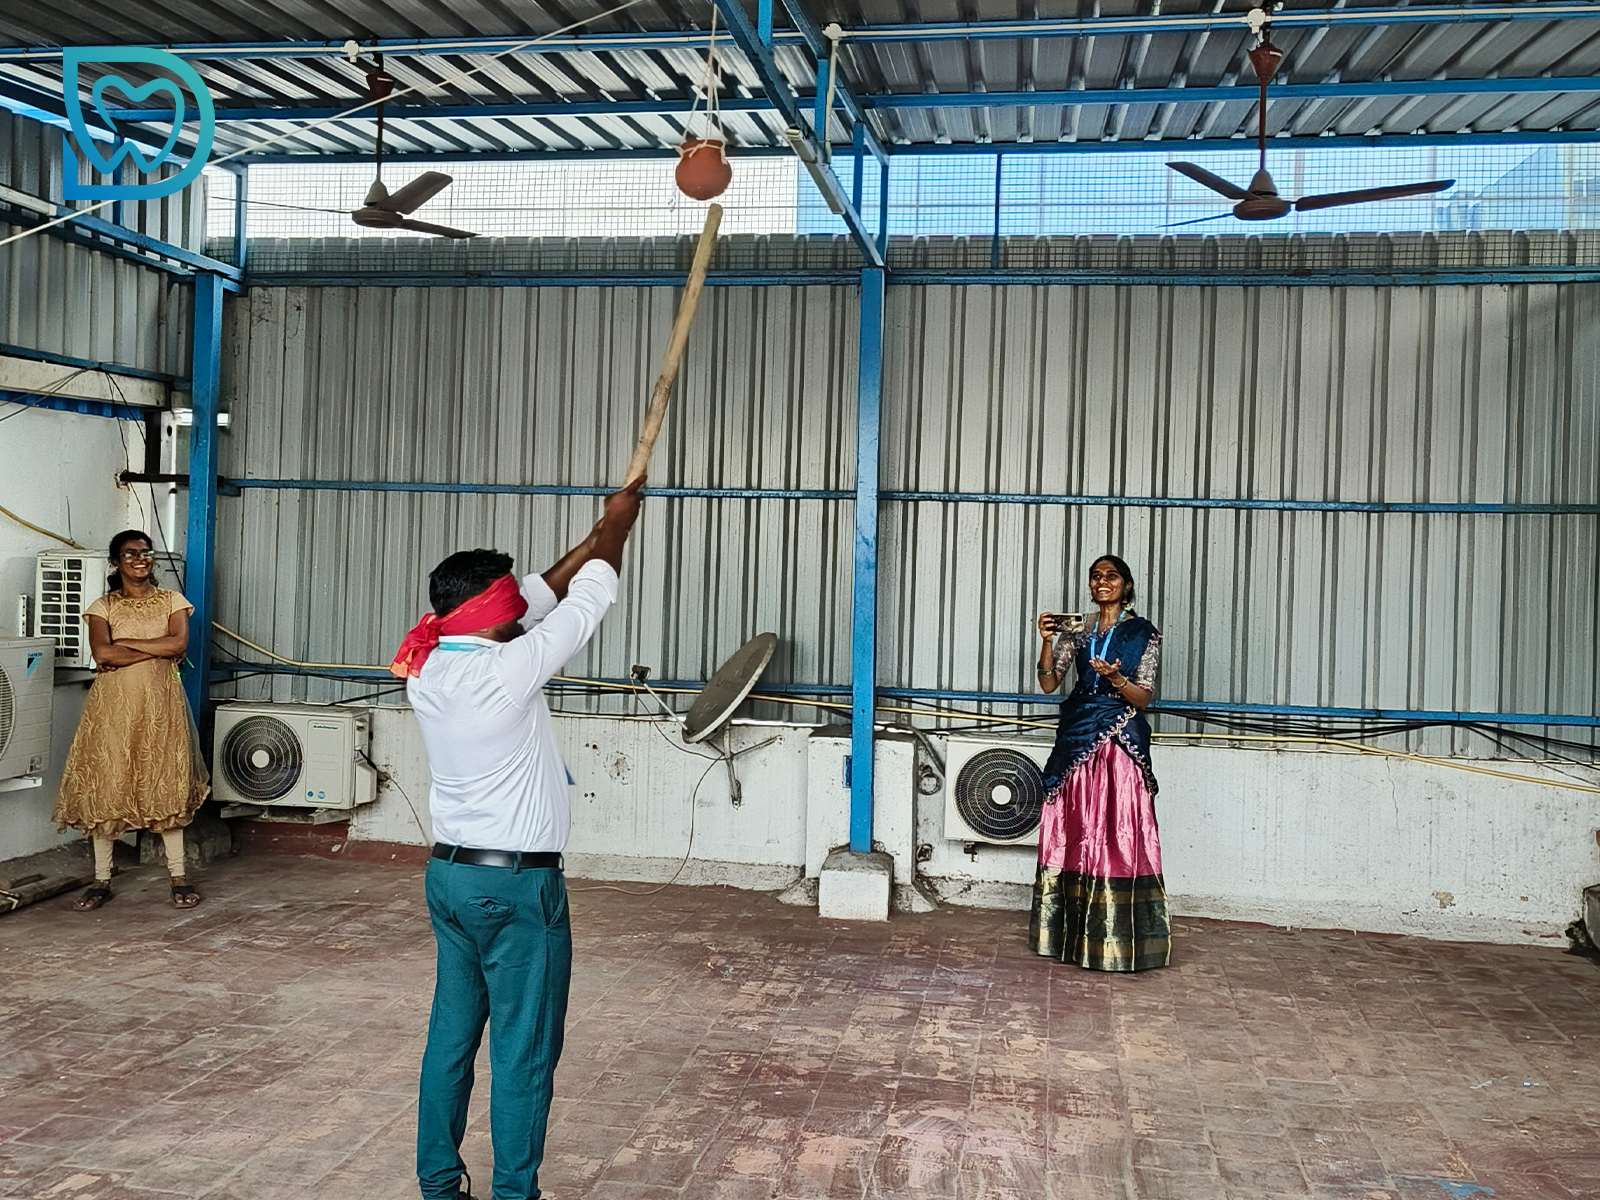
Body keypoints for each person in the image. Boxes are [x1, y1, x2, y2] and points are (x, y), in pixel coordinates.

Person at [395, 480, 644, 1200]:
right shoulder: (512, 670)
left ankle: (439, 1186)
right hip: (515, 889)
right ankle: (515, 1194)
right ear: (497, 616)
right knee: (524, 1054)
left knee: (451, 1042)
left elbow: (539, 592)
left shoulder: (430, 660)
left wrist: (599, 526)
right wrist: (619, 530)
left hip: (450, 881)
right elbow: (589, 594)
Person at [1029, 554, 1170, 972]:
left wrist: (1115, 678)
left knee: (1116, 827)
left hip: (1120, 735)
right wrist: (1046, 639)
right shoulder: (1079, 629)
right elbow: (1049, 682)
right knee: (1077, 826)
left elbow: (1145, 697)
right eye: (1095, 576)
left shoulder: (1144, 633)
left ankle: (1117, 937)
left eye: (1111, 576)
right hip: (1076, 737)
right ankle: (1067, 935)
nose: (1102, 582)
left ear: (1126, 585)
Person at [55, 530, 209, 910]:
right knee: (108, 782)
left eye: (145, 552)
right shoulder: (102, 607)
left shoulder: (173, 601)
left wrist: (127, 646)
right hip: (112, 710)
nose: (140, 559)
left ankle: (178, 876)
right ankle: (101, 879)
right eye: (130, 553)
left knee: (164, 782)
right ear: (115, 562)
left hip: (162, 708)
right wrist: (151, 649)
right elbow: (103, 656)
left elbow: (177, 645)